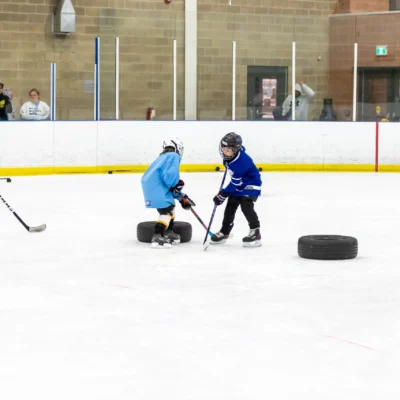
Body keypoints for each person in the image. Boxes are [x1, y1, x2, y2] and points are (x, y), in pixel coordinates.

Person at [141, 137, 195, 249]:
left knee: (170, 206)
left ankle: (168, 231)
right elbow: (170, 178)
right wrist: (176, 184)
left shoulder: (162, 158)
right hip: (156, 187)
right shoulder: (174, 156)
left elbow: (170, 187)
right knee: (167, 211)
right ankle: (158, 234)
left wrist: (182, 198)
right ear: (178, 148)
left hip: (152, 186)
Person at [211, 132, 262, 247]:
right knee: (230, 207)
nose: (225, 151)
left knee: (246, 205)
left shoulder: (241, 162)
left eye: (228, 149)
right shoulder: (231, 156)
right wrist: (224, 195)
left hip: (251, 183)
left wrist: (223, 194)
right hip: (239, 183)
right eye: (223, 148)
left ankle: (255, 232)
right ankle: (224, 232)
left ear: (235, 149)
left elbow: (235, 182)